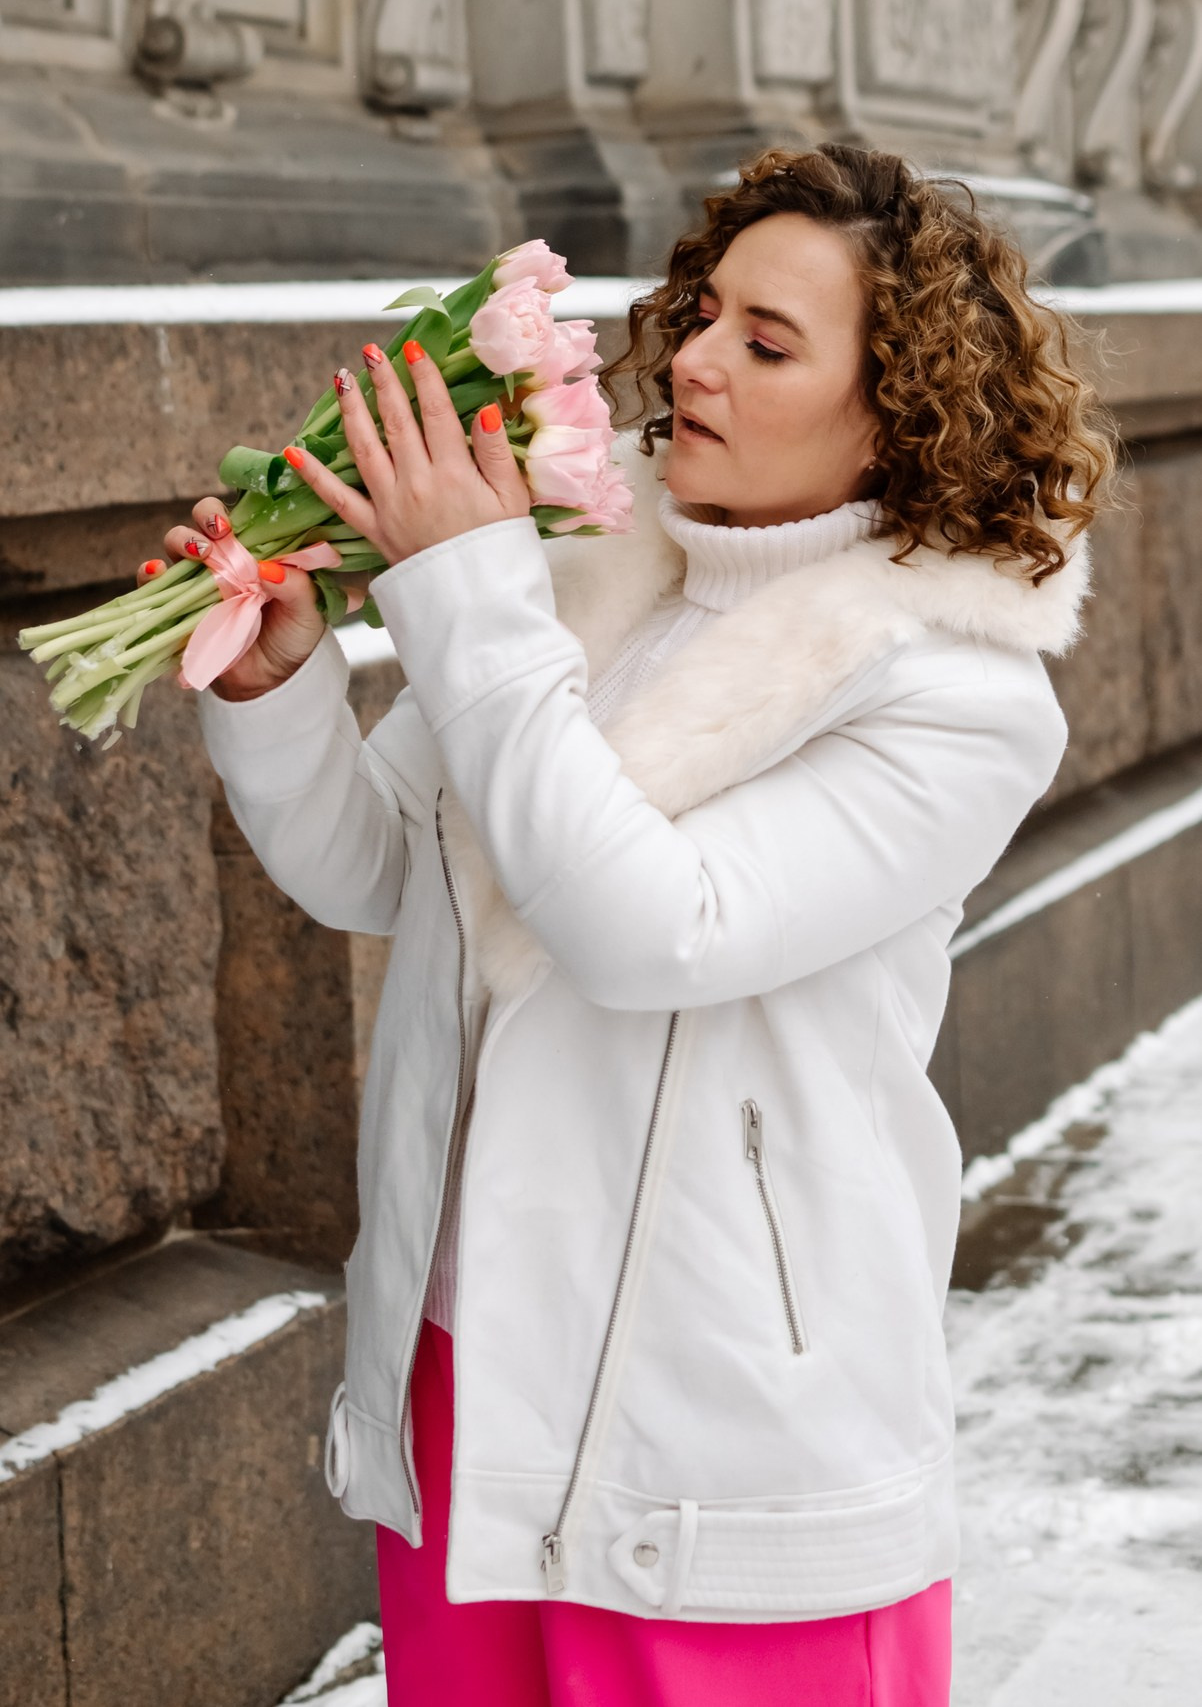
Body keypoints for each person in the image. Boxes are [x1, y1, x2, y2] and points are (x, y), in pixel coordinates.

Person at [145, 144, 1116, 1705]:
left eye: (768, 343)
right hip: (472, 1366)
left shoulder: (955, 696)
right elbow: (382, 871)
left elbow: (651, 931)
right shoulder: (586, 587)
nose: (696, 359)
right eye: (706, 311)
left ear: (900, 410)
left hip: (721, 1432)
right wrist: (281, 690)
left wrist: (469, 599)